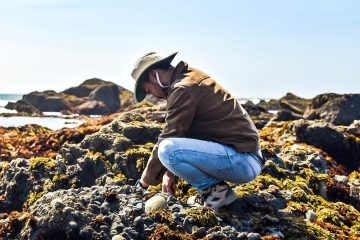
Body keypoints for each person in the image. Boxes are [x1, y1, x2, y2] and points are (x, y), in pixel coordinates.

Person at [131, 51, 265, 210]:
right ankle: (214, 192)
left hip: (243, 161)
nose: (153, 95)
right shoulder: (190, 76)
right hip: (248, 156)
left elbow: (170, 136)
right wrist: (169, 172)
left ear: (154, 75)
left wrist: (143, 184)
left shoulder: (183, 89)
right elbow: (186, 132)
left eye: (148, 90)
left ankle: (217, 192)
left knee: (167, 149)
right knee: (169, 149)